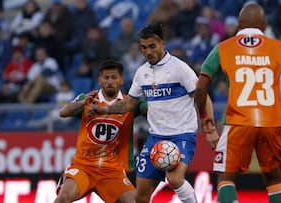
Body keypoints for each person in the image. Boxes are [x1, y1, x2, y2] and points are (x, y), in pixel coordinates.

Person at [194, 3, 281, 203]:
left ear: (239, 25)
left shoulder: (223, 48)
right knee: (274, 180)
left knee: (226, 177)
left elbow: (200, 88)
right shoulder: (279, 47)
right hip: (272, 122)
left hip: (239, 122)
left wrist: (205, 120)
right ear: (265, 24)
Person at [87, 23, 218, 203]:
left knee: (175, 179)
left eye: (152, 46)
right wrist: (106, 109)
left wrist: (209, 127)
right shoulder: (142, 73)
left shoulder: (180, 68)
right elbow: (129, 104)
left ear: (163, 45)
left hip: (182, 136)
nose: (148, 52)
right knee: (140, 197)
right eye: (143, 48)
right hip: (155, 139)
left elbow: (202, 96)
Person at [53, 60, 147, 203]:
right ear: (100, 80)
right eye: (106, 77)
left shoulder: (130, 103)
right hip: (84, 166)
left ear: (121, 80)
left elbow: (151, 111)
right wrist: (81, 103)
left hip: (112, 170)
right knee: (63, 198)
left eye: (114, 77)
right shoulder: (88, 99)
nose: (110, 81)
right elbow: (63, 112)